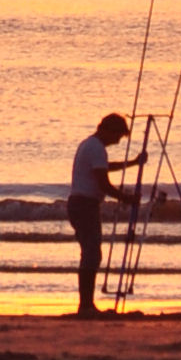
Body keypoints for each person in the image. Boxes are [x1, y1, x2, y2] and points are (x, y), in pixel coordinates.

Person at [68, 112, 141, 319]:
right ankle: (86, 305)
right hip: (85, 205)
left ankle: (86, 304)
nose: (118, 141)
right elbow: (104, 184)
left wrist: (132, 163)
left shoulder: (91, 145)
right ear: (109, 130)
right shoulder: (96, 147)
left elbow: (104, 168)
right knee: (91, 254)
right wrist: (126, 198)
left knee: (90, 253)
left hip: (81, 204)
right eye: (118, 136)